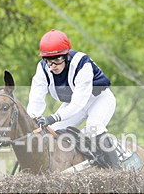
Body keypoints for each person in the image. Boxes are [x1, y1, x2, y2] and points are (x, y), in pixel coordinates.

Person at [27, 29, 121, 168]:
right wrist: (32, 119)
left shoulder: (82, 64)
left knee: (94, 127)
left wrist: (52, 117)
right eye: (49, 61)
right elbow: (36, 98)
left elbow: (78, 104)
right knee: (51, 132)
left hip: (99, 99)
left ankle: (117, 171)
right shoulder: (42, 68)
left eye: (58, 59)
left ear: (66, 56)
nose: (53, 66)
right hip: (72, 104)